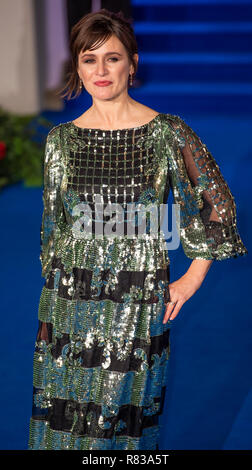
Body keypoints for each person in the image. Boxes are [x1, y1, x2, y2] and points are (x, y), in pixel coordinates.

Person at [27, 9, 248, 451]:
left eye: (113, 58)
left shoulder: (167, 133)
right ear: (78, 68)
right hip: (69, 294)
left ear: (133, 62)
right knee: (64, 418)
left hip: (137, 292)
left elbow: (215, 204)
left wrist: (192, 276)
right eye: (89, 60)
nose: (101, 71)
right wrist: (53, 296)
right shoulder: (60, 139)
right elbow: (53, 223)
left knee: (118, 419)